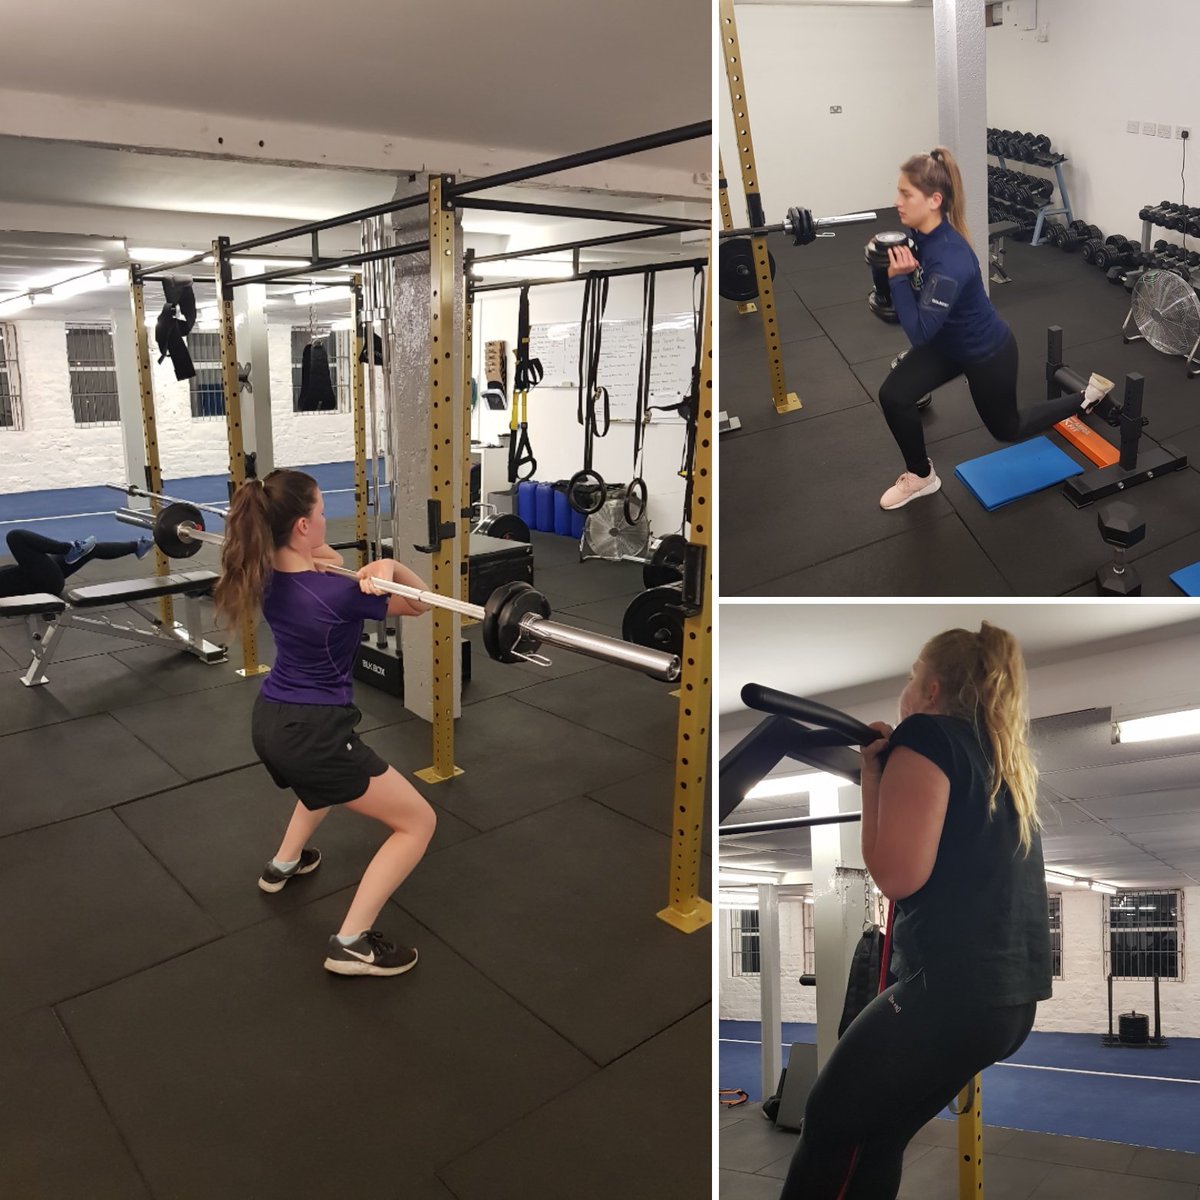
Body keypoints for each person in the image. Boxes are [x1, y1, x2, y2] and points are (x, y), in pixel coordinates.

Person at [779, 622, 1052, 1200]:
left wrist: (873, 773)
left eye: (910, 678)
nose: (904, 692)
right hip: (1008, 1010)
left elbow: (897, 877)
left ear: (929, 690)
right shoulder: (1001, 760)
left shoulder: (926, 735)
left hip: (945, 998)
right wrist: (879, 772)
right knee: (879, 1135)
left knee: (827, 1121)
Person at [212, 468, 438, 979]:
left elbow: (325, 558)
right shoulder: (338, 595)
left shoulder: (264, 573)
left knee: (322, 786)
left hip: (271, 720)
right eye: (319, 511)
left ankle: (284, 863)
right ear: (300, 526)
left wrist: (328, 557)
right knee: (418, 822)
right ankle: (351, 944)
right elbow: (420, 603)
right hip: (314, 733)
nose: (325, 518)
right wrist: (393, 565)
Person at [877, 146, 1115, 510]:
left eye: (906, 194)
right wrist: (887, 266)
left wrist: (896, 278)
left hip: (986, 351)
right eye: (899, 192)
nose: (897, 201)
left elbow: (919, 333)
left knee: (1008, 429)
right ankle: (921, 476)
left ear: (934, 201)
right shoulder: (920, 234)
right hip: (948, 343)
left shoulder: (951, 259)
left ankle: (1085, 399)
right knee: (894, 396)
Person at [0, 528, 153, 599]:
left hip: (35, 574)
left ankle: (138, 547)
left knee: (91, 549)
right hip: (42, 583)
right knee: (15, 537)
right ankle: (68, 549)